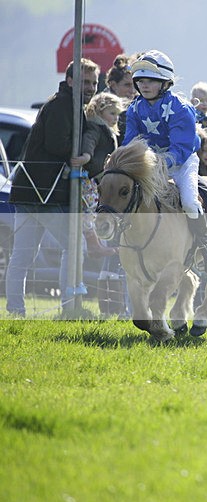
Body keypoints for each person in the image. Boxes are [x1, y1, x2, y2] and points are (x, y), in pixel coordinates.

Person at [5, 58, 100, 316]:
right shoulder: (62, 106)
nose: (91, 87)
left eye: (94, 82)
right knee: (73, 246)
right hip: (44, 193)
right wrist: (85, 149)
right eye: (85, 82)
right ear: (70, 81)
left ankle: (16, 310)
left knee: (22, 256)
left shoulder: (67, 105)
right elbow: (59, 145)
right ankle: (69, 306)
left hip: (30, 190)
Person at [123, 49, 207, 273]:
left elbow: (181, 149)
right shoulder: (134, 109)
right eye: (141, 81)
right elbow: (130, 142)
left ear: (165, 83)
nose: (145, 85)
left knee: (189, 202)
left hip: (181, 163)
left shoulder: (181, 109)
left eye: (151, 81)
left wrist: (157, 162)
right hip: (151, 164)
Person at [71, 91, 126, 258]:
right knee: (88, 209)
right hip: (89, 178)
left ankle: (98, 241)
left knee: (96, 210)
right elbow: (89, 141)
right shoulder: (96, 128)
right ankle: (93, 244)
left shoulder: (107, 130)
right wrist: (86, 156)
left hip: (99, 179)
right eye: (112, 113)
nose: (116, 118)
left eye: (117, 114)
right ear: (99, 112)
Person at [103, 54, 135, 145]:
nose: (133, 91)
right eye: (127, 85)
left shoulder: (138, 106)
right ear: (113, 85)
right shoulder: (101, 108)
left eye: (135, 85)